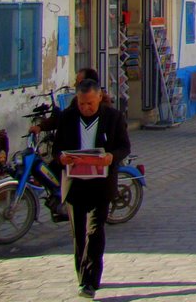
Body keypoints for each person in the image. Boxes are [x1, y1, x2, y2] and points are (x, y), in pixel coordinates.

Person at [53, 79, 131, 299]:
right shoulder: (67, 118)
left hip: (100, 184)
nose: (86, 108)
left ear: (99, 97)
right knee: (78, 233)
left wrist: (110, 157)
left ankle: (90, 280)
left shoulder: (113, 118)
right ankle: (82, 275)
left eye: (90, 103)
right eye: (82, 103)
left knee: (94, 231)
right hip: (75, 184)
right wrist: (62, 157)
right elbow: (57, 148)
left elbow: (124, 147)